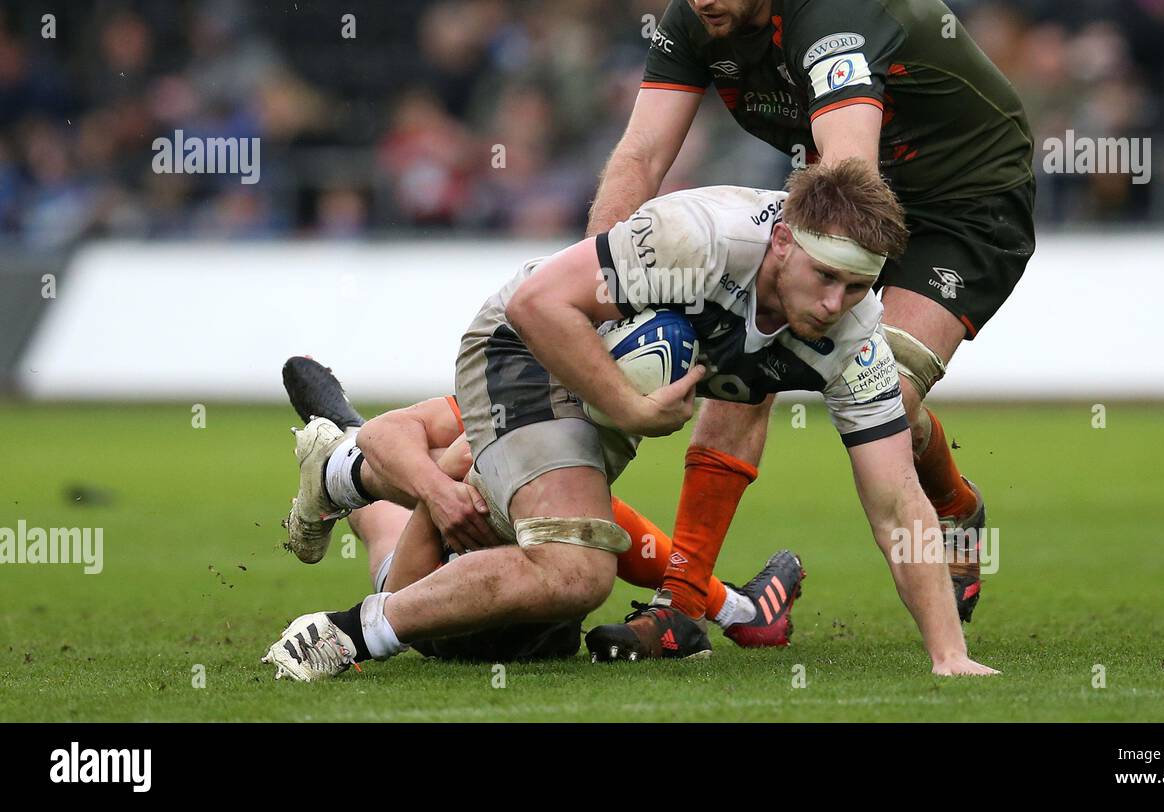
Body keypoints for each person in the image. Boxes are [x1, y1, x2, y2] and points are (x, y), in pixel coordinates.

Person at [262, 160, 998, 680]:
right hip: (528, 351)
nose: (837, 303)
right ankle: (340, 633)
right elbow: (535, 305)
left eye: (858, 286)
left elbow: (898, 497)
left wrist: (946, 654)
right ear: (781, 242)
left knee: (513, 572)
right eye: (826, 277)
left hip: (607, 399)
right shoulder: (698, 240)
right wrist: (630, 406)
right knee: (575, 566)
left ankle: (335, 468)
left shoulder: (856, 336)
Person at [585, 0, 1036, 632]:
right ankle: (682, 605)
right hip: (851, 195)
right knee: (741, 360)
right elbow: (638, 158)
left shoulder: (834, 17)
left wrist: (781, 285)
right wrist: (595, 285)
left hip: (964, 205)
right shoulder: (697, 16)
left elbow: (848, 174)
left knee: (885, 388)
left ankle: (955, 505)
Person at [273, 354, 805, 664]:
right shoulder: (530, 402)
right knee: (461, 481)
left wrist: (444, 489)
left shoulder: (531, 419)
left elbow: (396, 597)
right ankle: (339, 457)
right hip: (495, 612)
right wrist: (443, 489)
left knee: (432, 488)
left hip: (456, 608)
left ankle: (337, 459)